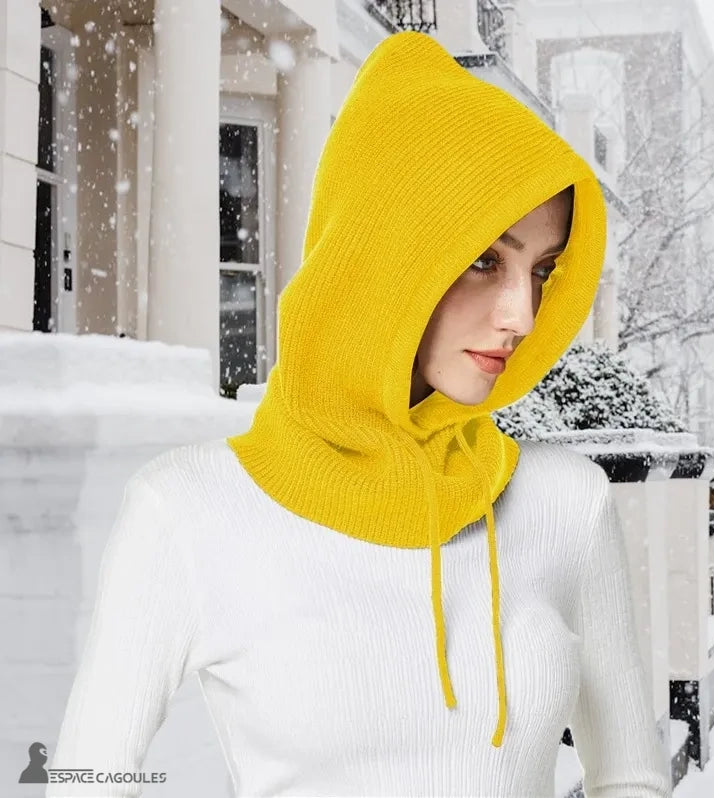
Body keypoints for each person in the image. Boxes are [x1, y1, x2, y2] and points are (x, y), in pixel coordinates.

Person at [47, 30, 671, 798]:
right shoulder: (186, 510)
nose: (522, 313)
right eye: (484, 260)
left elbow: (633, 779)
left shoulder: (566, 502)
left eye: (542, 271)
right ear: (387, 255)